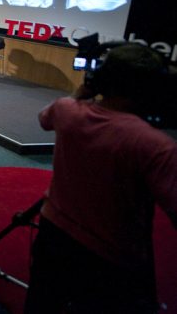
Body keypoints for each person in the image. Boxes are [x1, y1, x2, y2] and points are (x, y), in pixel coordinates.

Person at [25, 44, 177, 314]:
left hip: (52, 233)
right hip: (111, 257)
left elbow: (44, 119)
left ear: (101, 79)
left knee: (42, 303)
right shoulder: (156, 145)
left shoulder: (66, 110)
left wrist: (80, 95)